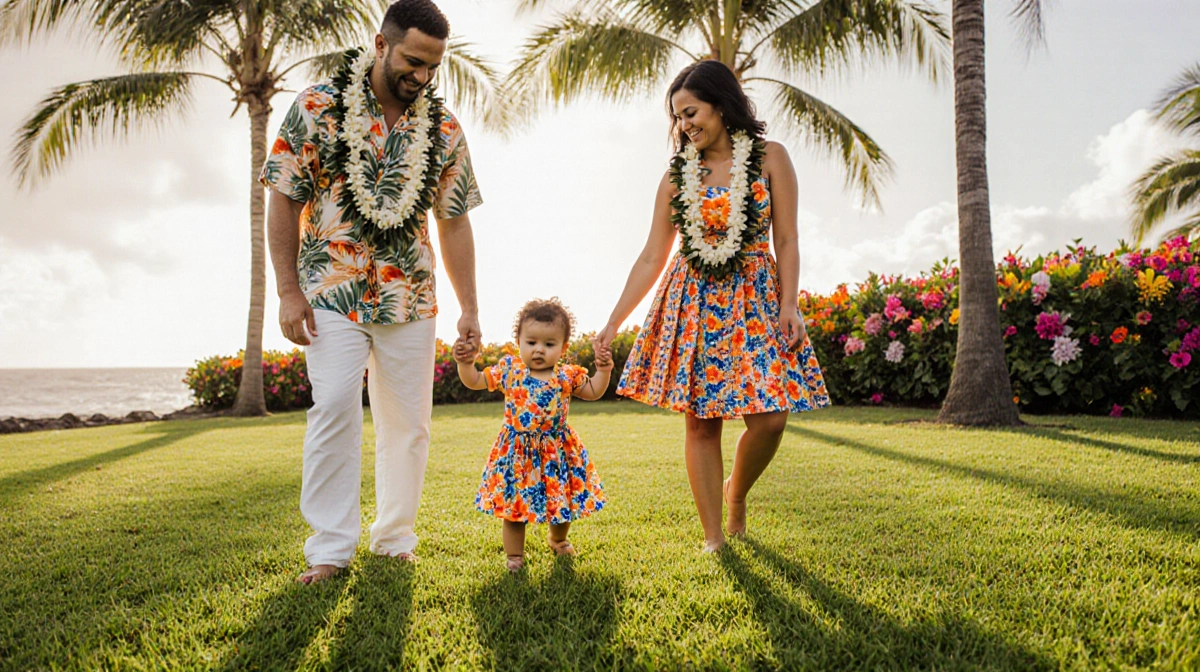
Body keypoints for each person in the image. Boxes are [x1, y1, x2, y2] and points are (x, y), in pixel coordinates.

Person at [260, 0, 484, 583]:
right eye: (413, 61)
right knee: (333, 404)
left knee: (407, 423)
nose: (422, 76)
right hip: (329, 287)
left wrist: (470, 308)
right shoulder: (316, 107)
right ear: (381, 45)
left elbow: (454, 219)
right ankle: (331, 548)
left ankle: (393, 540)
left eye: (433, 66)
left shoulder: (443, 127)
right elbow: (283, 197)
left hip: (409, 292)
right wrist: (288, 291)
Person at [595, 60, 831, 553]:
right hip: (693, 300)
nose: (685, 125)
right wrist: (614, 320)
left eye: (691, 112)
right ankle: (713, 538)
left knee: (770, 418)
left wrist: (790, 303)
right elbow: (651, 255)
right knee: (701, 422)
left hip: (756, 297)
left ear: (721, 106)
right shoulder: (676, 179)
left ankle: (736, 493)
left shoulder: (770, 158)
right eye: (678, 118)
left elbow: (786, 239)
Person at [453, 298, 612, 572]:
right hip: (517, 453)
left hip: (556, 453)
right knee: (514, 509)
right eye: (531, 342)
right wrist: (464, 364)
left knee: (562, 503)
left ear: (563, 348)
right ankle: (514, 555)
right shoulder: (510, 371)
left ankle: (558, 539)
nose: (539, 349)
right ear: (519, 341)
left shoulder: (567, 376)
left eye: (549, 345)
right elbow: (475, 381)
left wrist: (604, 370)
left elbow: (595, 391)